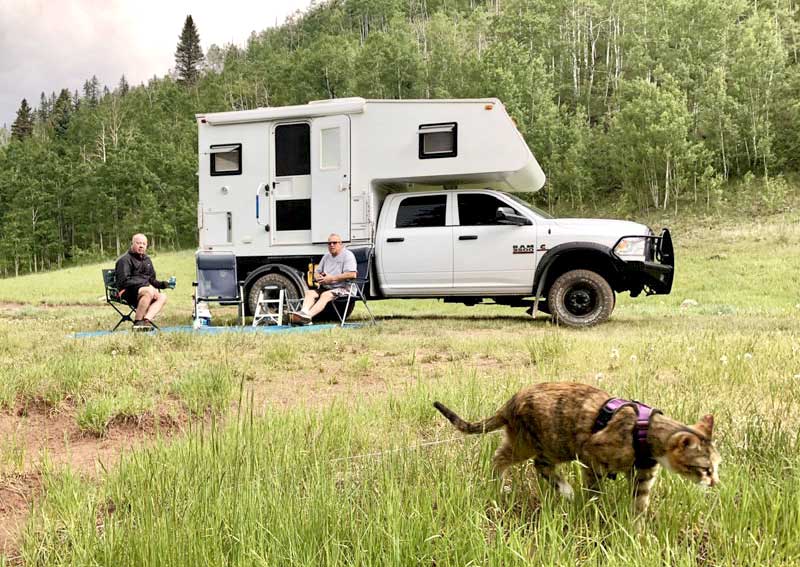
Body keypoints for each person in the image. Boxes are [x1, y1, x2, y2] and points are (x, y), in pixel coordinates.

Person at [115, 233, 175, 331]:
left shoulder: (147, 260)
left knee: (163, 296)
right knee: (148, 291)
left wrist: (165, 284)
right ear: (132, 243)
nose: (141, 246)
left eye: (144, 244)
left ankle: (146, 321)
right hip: (126, 291)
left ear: (146, 246)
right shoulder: (124, 260)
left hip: (144, 291)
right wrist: (146, 285)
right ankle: (138, 322)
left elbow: (152, 280)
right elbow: (124, 281)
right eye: (138, 243)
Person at [293, 233, 356, 324]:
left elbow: (352, 274)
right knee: (310, 293)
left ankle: (308, 317)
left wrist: (332, 278)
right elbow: (316, 272)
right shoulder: (326, 256)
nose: (331, 245)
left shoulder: (348, 255)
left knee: (325, 295)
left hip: (344, 289)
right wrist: (318, 277)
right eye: (329, 243)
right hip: (328, 287)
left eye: (334, 243)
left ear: (340, 244)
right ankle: (303, 313)